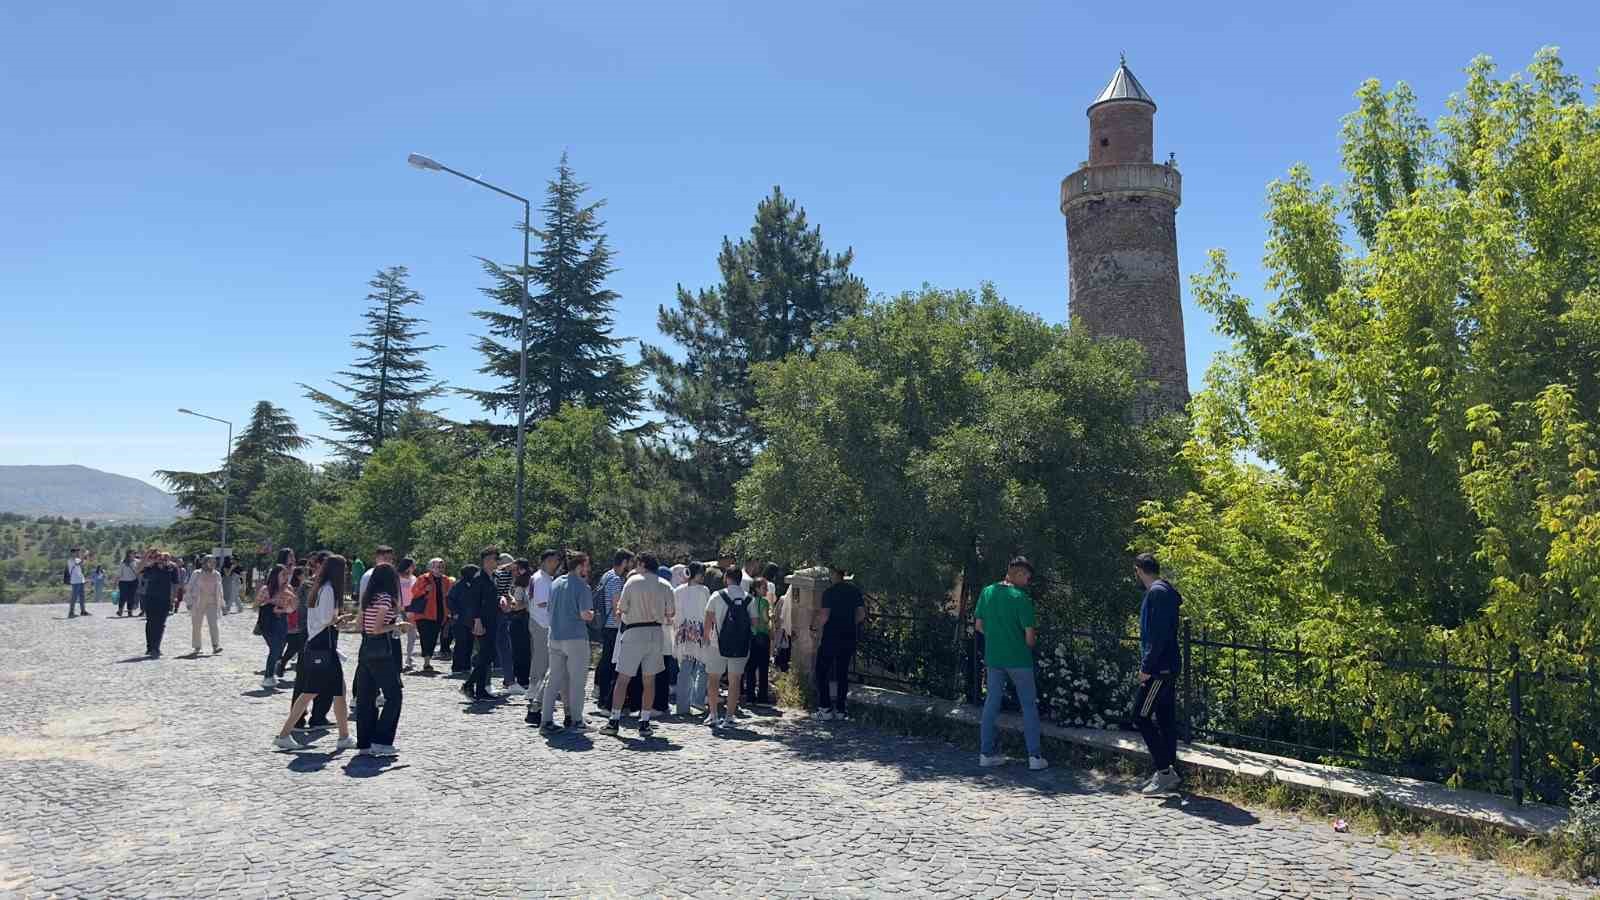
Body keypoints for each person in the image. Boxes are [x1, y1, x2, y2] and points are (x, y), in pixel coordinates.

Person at [272, 555, 357, 752]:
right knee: (309, 692)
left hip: (320, 643)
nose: (345, 574)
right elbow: (327, 619)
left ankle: (344, 735)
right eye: (344, 570)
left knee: (339, 692)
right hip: (322, 645)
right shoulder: (327, 590)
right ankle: (284, 734)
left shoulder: (320, 588)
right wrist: (340, 618)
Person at [974, 557, 1047, 771]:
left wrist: (997, 636)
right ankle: (1034, 757)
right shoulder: (1021, 598)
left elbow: (979, 625)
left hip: (994, 657)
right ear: (1015, 573)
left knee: (991, 704)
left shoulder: (987, 592)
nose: (1028, 580)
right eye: (1026, 576)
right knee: (1028, 706)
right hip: (1019, 660)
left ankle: (985, 754)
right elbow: (1029, 638)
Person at [602, 553, 672, 738]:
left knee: (623, 678)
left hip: (634, 631)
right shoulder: (665, 585)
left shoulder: (632, 583)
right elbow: (670, 612)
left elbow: (622, 608)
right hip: (656, 633)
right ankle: (645, 721)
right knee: (649, 681)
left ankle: (614, 720)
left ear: (642, 564)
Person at [1134, 552, 1184, 796]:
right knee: (1164, 719)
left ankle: (1165, 772)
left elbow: (1157, 635)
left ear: (1138, 570)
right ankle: (1169, 771)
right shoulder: (1165, 591)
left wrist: (1146, 667)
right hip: (1167, 664)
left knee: (1140, 716)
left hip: (1159, 669)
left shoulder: (1156, 593)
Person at [353, 563, 410, 757]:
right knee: (394, 696)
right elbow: (378, 628)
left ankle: (365, 742)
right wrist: (398, 625)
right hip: (381, 649)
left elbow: (359, 625)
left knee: (366, 698)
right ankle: (382, 740)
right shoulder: (385, 599)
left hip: (366, 648)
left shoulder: (367, 599)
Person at [540, 552, 595, 733]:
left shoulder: (555, 583)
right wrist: (593, 616)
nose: (588, 569)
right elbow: (585, 614)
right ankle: (577, 721)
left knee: (553, 681)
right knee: (577, 682)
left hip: (554, 637)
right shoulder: (582, 587)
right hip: (576, 639)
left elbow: (549, 609)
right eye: (586, 565)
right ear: (579, 566)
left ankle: (546, 720)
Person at [815, 567, 867, 721]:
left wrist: (814, 627)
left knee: (821, 671)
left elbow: (824, 616)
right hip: (849, 636)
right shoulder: (854, 591)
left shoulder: (829, 593)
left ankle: (824, 708)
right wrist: (850, 623)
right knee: (842, 673)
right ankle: (841, 710)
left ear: (833, 574)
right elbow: (861, 614)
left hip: (831, 636)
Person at [703, 568, 753, 729]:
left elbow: (708, 619)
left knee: (713, 679)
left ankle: (713, 715)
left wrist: (706, 638)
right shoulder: (749, 598)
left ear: (726, 578)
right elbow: (755, 622)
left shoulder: (717, 595)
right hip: (740, 645)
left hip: (717, 644)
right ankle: (729, 717)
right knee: (735, 681)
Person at [459, 548, 503, 702]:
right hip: (481, 621)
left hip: (492, 619)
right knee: (486, 654)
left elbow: (491, 599)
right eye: (494, 558)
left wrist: (501, 601)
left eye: (497, 558)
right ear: (485, 560)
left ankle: (480, 689)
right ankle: (469, 685)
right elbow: (473, 602)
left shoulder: (493, 577)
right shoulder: (479, 578)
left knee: (487, 655)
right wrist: (477, 621)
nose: (497, 561)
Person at [593, 549, 632, 710]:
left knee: (605, 661)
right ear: (624, 562)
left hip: (605, 624)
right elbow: (617, 606)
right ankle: (606, 699)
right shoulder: (616, 580)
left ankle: (600, 693)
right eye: (629, 562)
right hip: (613, 626)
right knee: (611, 663)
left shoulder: (606, 575)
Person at [672, 563, 711, 718]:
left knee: (685, 668)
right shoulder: (704, 591)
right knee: (702, 666)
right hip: (700, 631)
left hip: (683, 632)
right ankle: (697, 699)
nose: (702, 576)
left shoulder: (678, 590)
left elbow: (675, 612)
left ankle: (682, 706)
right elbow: (707, 612)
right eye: (701, 573)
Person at [524, 550, 558, 726]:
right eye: (551, 561)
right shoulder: (540, 579)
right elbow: (541, 602)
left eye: (556, 561)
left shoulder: (545, 578)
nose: (554, 564)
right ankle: (534, 691)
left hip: (542, 622)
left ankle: (536, 691)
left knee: (542, 659)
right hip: (540, 622)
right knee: (541, 659)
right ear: (544, 561)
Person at [256, 550, 297, 690]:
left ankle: (272, 672)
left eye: (287, 574)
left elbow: (293, 608)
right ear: (275, 575)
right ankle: (268, 676)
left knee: (279, 649)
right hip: (267, 622)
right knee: (275, 648)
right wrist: (272, 601)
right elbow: (256, 605)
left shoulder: (289, 588)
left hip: (282, 620)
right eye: (283, 574)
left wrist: (284, 608)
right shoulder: (266, 589)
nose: (286, 577)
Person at [407, 558, 453, 674]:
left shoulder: (446, 580)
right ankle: (426, 662)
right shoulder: (423, 578)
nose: (440, 569)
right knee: (425, 637)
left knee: (433, 637)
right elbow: (414, 592)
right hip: (424, 614)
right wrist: (424, 590)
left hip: (439, 613)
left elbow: (449, 596)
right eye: (437, 566)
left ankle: (428, 659)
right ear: (431, 568)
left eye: (442, 567)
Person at [742, 564, 779, 705]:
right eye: (764, 588)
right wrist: (771, 620)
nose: (766, 590)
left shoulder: (748, 600)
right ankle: (762, 697)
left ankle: (750, 696)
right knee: (763, 668)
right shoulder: (763, 602)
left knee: (750, 668)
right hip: (762, 635)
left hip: (751, 636)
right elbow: (764, 618)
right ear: (757, 588)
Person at [138, 551, 180, 657]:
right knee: (150, 622)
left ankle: (156, 647)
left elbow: (176, 583)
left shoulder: (172, 568)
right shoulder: (152, 567)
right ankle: (150, 647)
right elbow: (138, 570)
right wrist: (146, 556)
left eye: (166, 558)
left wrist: (174, 597)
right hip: (151, 598)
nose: (164, 560)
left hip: (165, 599)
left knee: (161, 623)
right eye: (161, 558)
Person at [187, 554, 224, 655]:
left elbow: (220, 589)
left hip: (212, 601)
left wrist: (221, 602)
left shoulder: (217, 574)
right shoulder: (197, 573)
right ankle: (197, 646)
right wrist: (189, 601)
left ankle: (215, 646)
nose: (212, 564)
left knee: (214, 624)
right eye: (210, 562)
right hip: (199, 600)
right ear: (205, 562)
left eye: (214, 562)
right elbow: (189, 587)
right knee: (197, 624)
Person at [446, 565, 479, 677]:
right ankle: (457, 667)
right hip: (459, 620)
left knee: (470, 643)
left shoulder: (475, 585)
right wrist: (455, 613)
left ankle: (466, 666)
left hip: (471, 620)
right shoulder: (458, 585)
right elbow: (450, 599)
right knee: (461, 643)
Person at [396, 557, 419, 669]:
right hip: (398, 608)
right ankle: (397, 658)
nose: (415, 567)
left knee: (412, 635)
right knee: (397, 634)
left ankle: (409, 658)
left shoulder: (414, 578)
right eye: (413, 565)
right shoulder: (396, 578)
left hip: (411, 609)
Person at [116, 551, 140, 617]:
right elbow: (119, 572)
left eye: (134, 553)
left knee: (131, 597)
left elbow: (140, 569)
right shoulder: (123, 562)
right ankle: (120, 610)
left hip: (133, 581)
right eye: (133, 553)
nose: (134, 554)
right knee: (122, 596)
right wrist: (116, 581)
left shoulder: (137, 561)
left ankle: (130, 611)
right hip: (123, 581)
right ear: (129, 554)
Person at [66, 548, 88, 617]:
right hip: (75, 581)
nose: (77, 553)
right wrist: (84, 555)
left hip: (81, 580)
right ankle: (71, 612)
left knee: (82, 597)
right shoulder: (70, 560)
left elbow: (82, 563)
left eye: (77, 552)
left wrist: (85, 557)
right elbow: (78, 563)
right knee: (74, 597)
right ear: (72, 553)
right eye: (76, 552)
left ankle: (83, 611)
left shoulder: (77, 559)